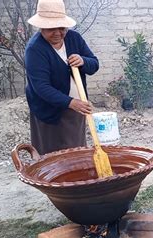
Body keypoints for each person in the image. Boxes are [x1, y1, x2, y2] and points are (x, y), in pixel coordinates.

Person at [25, 0, 99, 155]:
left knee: (76, 151)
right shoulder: (35, 49)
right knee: (52, 156)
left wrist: (83, 61)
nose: (58, 33)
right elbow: (41, 87)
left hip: (76, 108)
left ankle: (77, 178)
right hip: (49, 112)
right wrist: (70, 102)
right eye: (52, 28)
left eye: (62, 28)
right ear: (41, 27)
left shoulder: (74, 38)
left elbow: (94, 64)